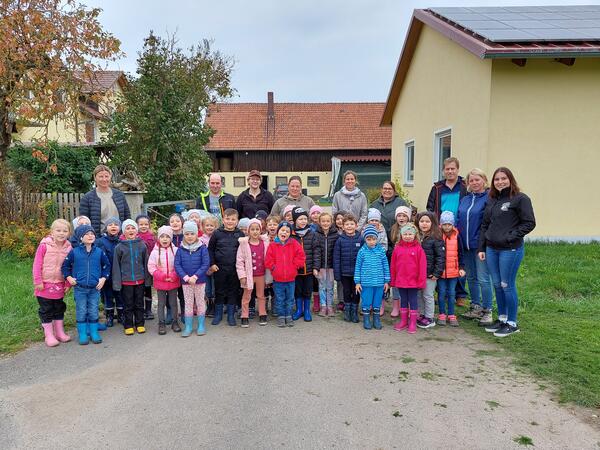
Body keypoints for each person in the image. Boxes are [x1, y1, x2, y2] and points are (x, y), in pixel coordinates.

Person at [479, 167, 536, 338]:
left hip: (510, 249)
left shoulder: (520, 199)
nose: (500, 182)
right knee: (497, 284)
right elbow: (485, 225)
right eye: (497, 179)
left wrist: (510, 236)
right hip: (491, 249)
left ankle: (512, 323)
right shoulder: (491, 200)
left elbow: (529, 223)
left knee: (506, 284)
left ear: (510, 179)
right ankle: (502, 318)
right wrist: (482, 247)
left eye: (503, 178)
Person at [426, 156, 469, 305]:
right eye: (447, 169)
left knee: (458, 259)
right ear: (443, 171)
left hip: (460, 228)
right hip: (441, 229)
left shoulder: (464, 186)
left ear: (458, 170)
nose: (450, 171)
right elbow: (430, 209)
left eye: (453, 168)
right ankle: (441, 292)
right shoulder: (437, 188)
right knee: (442, 259)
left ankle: (460, 294)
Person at [62, 224, 110, 345]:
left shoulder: (99, 252)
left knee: (93, 310)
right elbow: (65, 267)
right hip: (80, 288)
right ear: (80, 237)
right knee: (81, 310)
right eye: (87, 234)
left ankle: (94, 332)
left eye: (92, 233)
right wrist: (69, 278)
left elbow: (106, 266)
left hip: (95, 288)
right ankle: (82, 334)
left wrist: (103, 279)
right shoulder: (74, 252)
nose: (90, 236)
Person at [457, 169, 493, 325]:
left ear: (484, 180)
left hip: (480, 246)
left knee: (484, 278)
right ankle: (476, 306)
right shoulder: (465, 199)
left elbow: (489, 223)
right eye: (471, 180)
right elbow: (459, 219)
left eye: (477, 179)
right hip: (465, 245)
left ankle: (488, 311)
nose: (474, 183)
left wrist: (483, 244)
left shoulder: (489, 198)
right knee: (471, 277)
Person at [33, 219, 73, 347]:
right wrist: (38, 280)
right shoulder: (44, 245)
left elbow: (70, 267)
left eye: (65, 231)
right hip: (44, 284)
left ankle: (60, 332)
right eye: (58, 230)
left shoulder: (69, 248)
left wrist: (68, 283)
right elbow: (37, 264)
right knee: (46, 309)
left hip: (60, 283)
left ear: (69, 233)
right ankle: (49, 335)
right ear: (52, 232)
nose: (61, 233)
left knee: (59, 307)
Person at [112, 219, 150, 336]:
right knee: (128, 304)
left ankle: (139, 324)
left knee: (139, 303)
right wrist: (117, 283)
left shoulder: (142, 245)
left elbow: (146, 263)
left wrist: (148, 280)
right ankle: (128, 325)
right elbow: (116, 266)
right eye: (128, 228)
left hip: (140, 280)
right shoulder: (119, 247)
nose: (131, 230)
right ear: (124, 232)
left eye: (133, 228)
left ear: (136, 230)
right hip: (126, 281)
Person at [265, 221, 305, 327]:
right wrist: (274, 268)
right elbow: (268, 260)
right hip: (278, 279)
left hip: (291, 279)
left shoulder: (294, 244)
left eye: (287, 231)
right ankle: (281, 316)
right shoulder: (273, 245)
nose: (284, 233)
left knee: (290, 298)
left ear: (290, 233)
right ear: (278, 232)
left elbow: (301, 256)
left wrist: (294, 266)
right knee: (279, 298)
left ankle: (288, 315)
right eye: (282, 230)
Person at [208, 208, 243, 326]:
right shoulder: (217, 233)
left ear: (237, 221)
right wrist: (212, 264)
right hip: (219, 268)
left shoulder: (240, 234)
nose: (230, 221)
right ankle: (218, 315)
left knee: (233, 291)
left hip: (234, 269)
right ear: (223, 220)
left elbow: (244, 252)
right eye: (227, 219)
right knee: (219, 291)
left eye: (233, 219)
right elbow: (210, 249)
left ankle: (231, 316)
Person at [174, 221, 210, 337]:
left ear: (196, 234)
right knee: (188, 304)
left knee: (200, 302)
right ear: (184, 235)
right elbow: (177, 265)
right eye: (187, 234)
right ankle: (188, 327)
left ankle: (201, 325)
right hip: (186, 282)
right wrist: (185, 277)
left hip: (199, 281)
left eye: (192, 234)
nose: (189, 236)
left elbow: (205, 264)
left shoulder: (202, 248)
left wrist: (195, 276)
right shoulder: (180, 249)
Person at [390, 223, 427, 334]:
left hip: (413, 282)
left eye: (410, 234)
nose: (407, 236)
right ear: (401, 235)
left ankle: (412, 322)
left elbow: (422, 267)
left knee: (413, 301)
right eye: (405, 234)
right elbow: (393, 265)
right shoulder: (397, 249)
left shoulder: (418, 249)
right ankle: (404, 321)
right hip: (401, 281)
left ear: (414, 235)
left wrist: (421, 281)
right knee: (403, 301)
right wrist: (393, 279)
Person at [354, 225, 390, 330]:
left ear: (377, 239)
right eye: (368, 239)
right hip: (366, 283)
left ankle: (376, 319)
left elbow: (385, 266)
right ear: (365, 239)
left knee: (377, 301)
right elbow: (358, 267)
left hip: (379, 283)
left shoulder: (381, 251)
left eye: (373, 239)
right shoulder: (362, 252)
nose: (371, 242)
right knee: (366, 301)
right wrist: (357, 282)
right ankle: (366, 319)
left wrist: (386, 281)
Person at [236, 218, 270, 327]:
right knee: (246, 296)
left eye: (257, 229)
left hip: (261, 275)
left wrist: (269, 276)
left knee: (261, 295)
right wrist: (242, 276)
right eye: (252, 229)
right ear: (248, 231)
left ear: (261, 230)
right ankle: (244, 315)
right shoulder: (244, 244)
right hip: (249, 275)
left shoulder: (265, 243)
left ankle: (262, 313)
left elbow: (269, 257)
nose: (255, 232)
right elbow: (239, 261)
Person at [148, 226, 182, 335]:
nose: (165, 239)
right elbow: (151, 267)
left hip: (173, 281)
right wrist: (162, 276)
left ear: (171, 238)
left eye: (167, 236)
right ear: (158, 238)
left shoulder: (176, 250)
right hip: (160, 282)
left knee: (173, 303)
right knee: (161, 304)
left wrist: (174, 275)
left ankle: (175, 322)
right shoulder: (154, 252)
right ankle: (161, 323)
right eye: (162, 236)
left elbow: (179, 265)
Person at [79, 164, 131, 235]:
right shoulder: (87, 198)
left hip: (120, 238)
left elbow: (127, 217)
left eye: (106, 176)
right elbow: (84, 222)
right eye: (101, 176)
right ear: (95, 178)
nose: (104, 179)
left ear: (110, 177)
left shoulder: (120, 195)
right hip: (99, 239)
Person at [289, 207, 321, 322]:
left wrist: (316, 267)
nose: (303, 221)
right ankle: (299, 310)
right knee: (298, 290)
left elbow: (317, 252)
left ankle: (307, 310)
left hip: (309, 270)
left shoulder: (312, 234)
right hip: (296, 271)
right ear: (294, 220)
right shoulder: (291, 234)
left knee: (307, 290)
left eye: (305, 218)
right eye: (300, 219)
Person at [415, 211, 445, 329]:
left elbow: (440, 257)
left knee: (428, 295)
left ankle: (430, 317)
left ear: (433, 223)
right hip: (419, 273)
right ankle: (422, 314)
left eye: (427, 221)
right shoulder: (417, 237)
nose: (424, 224)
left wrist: (437, 273)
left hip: (430, 274)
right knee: (420, 294)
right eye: (422, 221)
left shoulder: (436, 238)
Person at [333, 213, 364, 323]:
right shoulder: (340, 240)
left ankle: (354, 311)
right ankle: (347, 311)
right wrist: (337, 274)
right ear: (343, 226)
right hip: (344, 273)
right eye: (347, 224)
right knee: (346, 291)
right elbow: (336, 258)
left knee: (356, 292)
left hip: (357, 274)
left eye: (352, 224)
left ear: (356, 225)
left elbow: (364, 257)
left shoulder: (360, 239)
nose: (349, 226)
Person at [437, 211, 466, 327]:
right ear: (441, 224)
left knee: (452, 293)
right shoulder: (438, 236)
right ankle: (442, 314)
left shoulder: (457, 236)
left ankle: (451, 314)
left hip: (453, 271)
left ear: (453, 224)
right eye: (444, 224)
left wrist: (462, 267)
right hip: (441, 272)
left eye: (449, 224)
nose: (447, 226)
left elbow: (461, 253)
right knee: (441, 293)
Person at [96, 217, 123, 327]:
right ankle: (110, 316)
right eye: (110, 225)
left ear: (120, 228)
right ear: (106, 228)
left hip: (120, 274)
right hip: (106, 275)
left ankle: (121, 315)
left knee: (120, 296)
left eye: (116, 225)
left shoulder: (122, 240)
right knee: (108, 296)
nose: (113, 226)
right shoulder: (100, 241)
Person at [389, 205, 412, 317]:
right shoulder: (393, 229)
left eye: (404, 215)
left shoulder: (411, 228)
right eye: (399, 215)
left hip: (409, 262)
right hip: (397, 261)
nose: (401, 218)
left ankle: (407, 306)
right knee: (396, 284)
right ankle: (396, 306)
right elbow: (390, 244)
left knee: (407, 284)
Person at [315, 212, 338, 317]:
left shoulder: (336, 234)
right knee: (322, 286)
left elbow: (337, 252)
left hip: (331, 267)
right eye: (323, 221)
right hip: (321, 267)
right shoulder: (316, 234)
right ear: (319, 222)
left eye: (328, 221)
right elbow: (316, 252)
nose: (325, 223)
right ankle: (323, 306)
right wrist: (316, 267)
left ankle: (330, 305)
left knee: (330, 286)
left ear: (331, 222)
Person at [135, 214, 156, 320]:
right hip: (137, 266)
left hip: (149, 265)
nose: (143, 226)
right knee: (139, 289)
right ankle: (140, 310)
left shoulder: (152, 237)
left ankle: (148, 309)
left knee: (148, 288)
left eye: (146, 224)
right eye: (141, 224)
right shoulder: (134, 237)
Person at [199, 215, 218, 317]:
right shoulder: (200, 240)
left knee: (215, 287)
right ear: (202, 227)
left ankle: (214, 306)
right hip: (204, 268)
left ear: (215, 226)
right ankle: (209, 305)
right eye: (207, 225)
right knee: (207, 288)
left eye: (212, 225)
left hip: (214, 267)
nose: (209, 227)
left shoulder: (217, 238)